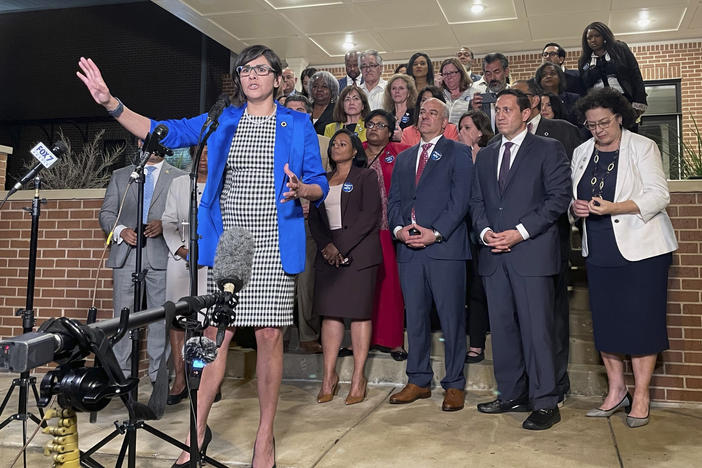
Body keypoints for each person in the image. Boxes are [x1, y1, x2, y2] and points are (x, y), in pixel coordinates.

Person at [77, 44, 329, 468]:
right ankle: (196, 431)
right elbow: (164, 131)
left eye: (261, 70)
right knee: (217, 336)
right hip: (232, 240)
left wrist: (303, 190)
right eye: (245, 69)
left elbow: (318, 181)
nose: (252, 76)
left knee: (269, 336)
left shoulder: (298, 123)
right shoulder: (222, 119)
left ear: (278, 78)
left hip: (274, 239)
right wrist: (112, 103)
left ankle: (264, 437)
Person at [571, 88, 677, 428]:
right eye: (591, 125)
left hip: (643, 249)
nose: (598, 130)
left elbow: (660, 195)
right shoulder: (582, 151)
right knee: (607, 322)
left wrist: (616, 207)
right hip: (599, 247)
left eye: (604, 122)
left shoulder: (643, 147)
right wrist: (575, 208)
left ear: (619, 117)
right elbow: (575, 197)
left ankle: (641, 395)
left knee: (641, 322)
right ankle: (617, 391)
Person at [471, 89, 571, 430]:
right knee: (502, 331)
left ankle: (545, 402)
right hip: (494, 255)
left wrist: (519, 232)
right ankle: (512, 394)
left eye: (508, 109)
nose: (500, 115)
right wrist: (485, 234)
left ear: (526, 113)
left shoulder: (548, 149)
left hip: (532, 253)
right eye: (497, 109)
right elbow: (477, 202)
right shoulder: (486, 155)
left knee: (537, 332)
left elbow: (558, 199)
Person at [387, 97, 473, 412]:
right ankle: (419, 380)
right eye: (422, 112)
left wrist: (434, 233)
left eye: (432, 112)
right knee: (416, 318)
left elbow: (460, 199)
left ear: (445, 121)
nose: (425, 117)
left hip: (444, 249)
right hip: (409, 251)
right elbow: (394, 201)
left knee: (451, 319)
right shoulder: (405, 157)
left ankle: (454, 384)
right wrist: (398, 231)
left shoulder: (458, 152)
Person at [512, 78, 583, 404]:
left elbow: (566, 187)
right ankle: (525, 382)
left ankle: (555, 381)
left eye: (522, 97)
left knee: (551, 317)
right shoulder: (504, 140)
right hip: (510, 245)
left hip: (549, 238)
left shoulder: (563, 131)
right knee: (521, 319)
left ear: (536, 102)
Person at [98, 136, 185, 384]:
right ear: (138, 145)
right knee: (122, 319)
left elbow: (187, 214)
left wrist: (166, 224)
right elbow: (106, 213)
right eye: (144, 141)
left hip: (162, 256)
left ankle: (159, 379)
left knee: (160, 319)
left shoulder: (179, 176)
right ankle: (121, 378)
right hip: (126, 256)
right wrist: (121, 230)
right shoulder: (121, 175)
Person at [309, 128, 381, 406]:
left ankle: (358, 378)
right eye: (334, 144)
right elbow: (315, 219)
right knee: (330, 315)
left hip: (359, 255)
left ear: (354, 150)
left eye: (343, 143)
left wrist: (341, 246)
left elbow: (369, 216)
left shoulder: (366, 177)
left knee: (360, 315)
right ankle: (328, 377)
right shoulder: (322, 181)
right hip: (328, 254)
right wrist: (328, 245)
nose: (337, 147)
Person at [162, 145, 209, 405]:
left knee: (205, 322)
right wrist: (182, 250)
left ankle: (203, 379)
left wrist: (207, 253)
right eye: (200, 153)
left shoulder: (222, 182)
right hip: (180, 260)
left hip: (210, 263)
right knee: (178, 321)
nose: (204, 159)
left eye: (209, 153)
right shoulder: (180, 183)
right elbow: (168, 220)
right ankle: (179, 379)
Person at [285, 95, 331, 354]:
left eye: (300, 110)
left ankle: (308, 334)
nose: (294, 114)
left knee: (308, 280)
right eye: (289, 110)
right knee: (278, 280)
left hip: (310, 219)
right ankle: (276, 334)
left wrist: (310, 199)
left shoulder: (324, 143)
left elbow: (330, 182)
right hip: (276, 220)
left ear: (309, 115)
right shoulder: (272, 139)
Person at [363, 109, 410, 361]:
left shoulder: (401, 152)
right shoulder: (355, 150)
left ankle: (393, 341)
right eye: (370, 123)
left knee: (391, 285)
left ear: (390, 131)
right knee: (363, 288)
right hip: (360, 230)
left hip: (390, 228)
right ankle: (364, 340)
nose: (374, 128)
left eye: (381, 125)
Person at [457, 110, 493, 363]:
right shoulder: (454, 158)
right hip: (460, 231)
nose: (462, 132)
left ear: (480, 132)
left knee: (480, 289)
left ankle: (477, 344)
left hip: (486, 231)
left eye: (467, 127)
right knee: (465, 289)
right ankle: (467, 341)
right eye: (460, 128)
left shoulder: (490, 157)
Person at [578, 22, 647, 127]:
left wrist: (639, 103)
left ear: (604, 36)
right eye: (589, 38)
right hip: (598, 103)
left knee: (626, 133)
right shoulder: (584, 61)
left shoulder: (620, 49)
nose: (593, 40)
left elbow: (635, 75)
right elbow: (585, 87)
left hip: (623, 100)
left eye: (597, 36)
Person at [471, 53, 511, 131]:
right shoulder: (479, 100)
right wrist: (475, 112)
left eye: (496, 72)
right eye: (488, 73)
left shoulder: (516, 96)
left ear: (506, 72)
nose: (492, 78)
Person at [382, 73, 418, 142]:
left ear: (409, 92)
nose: (397, 91)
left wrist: (403, 138)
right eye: (394, 88)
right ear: (390, 93)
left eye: (401, 88)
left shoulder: (416, 114)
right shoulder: (386, 115)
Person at [440, 57, 475, 125]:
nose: (449, 76)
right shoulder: (440, 94)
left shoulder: (473, 93)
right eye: (445, 74)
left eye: (452, 73)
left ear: (461, 73)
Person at [310, 70, 340, 135]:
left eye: (324, 86)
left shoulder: (338, 111)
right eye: (315, 86)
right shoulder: (306, 109)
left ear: (332, 90)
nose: (319, 89)